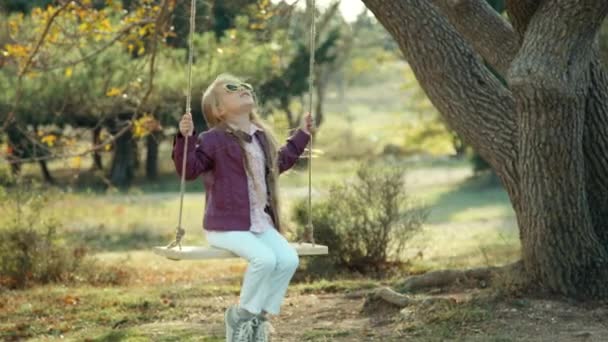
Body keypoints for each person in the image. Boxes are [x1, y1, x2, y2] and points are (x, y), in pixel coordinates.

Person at [172, 73, 314, 342]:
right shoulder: (212, 139)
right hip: (225, 226)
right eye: (232, 88)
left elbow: (279, 163)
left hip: (259, 223)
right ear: (219, 110)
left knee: (288, 260)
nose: (243, 89)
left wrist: (302, 135)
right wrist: (184, 138)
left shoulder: (261, 138)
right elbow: (188, 170)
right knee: (265, 259)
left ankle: (258, 318)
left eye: (246, 86)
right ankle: (240, 317)